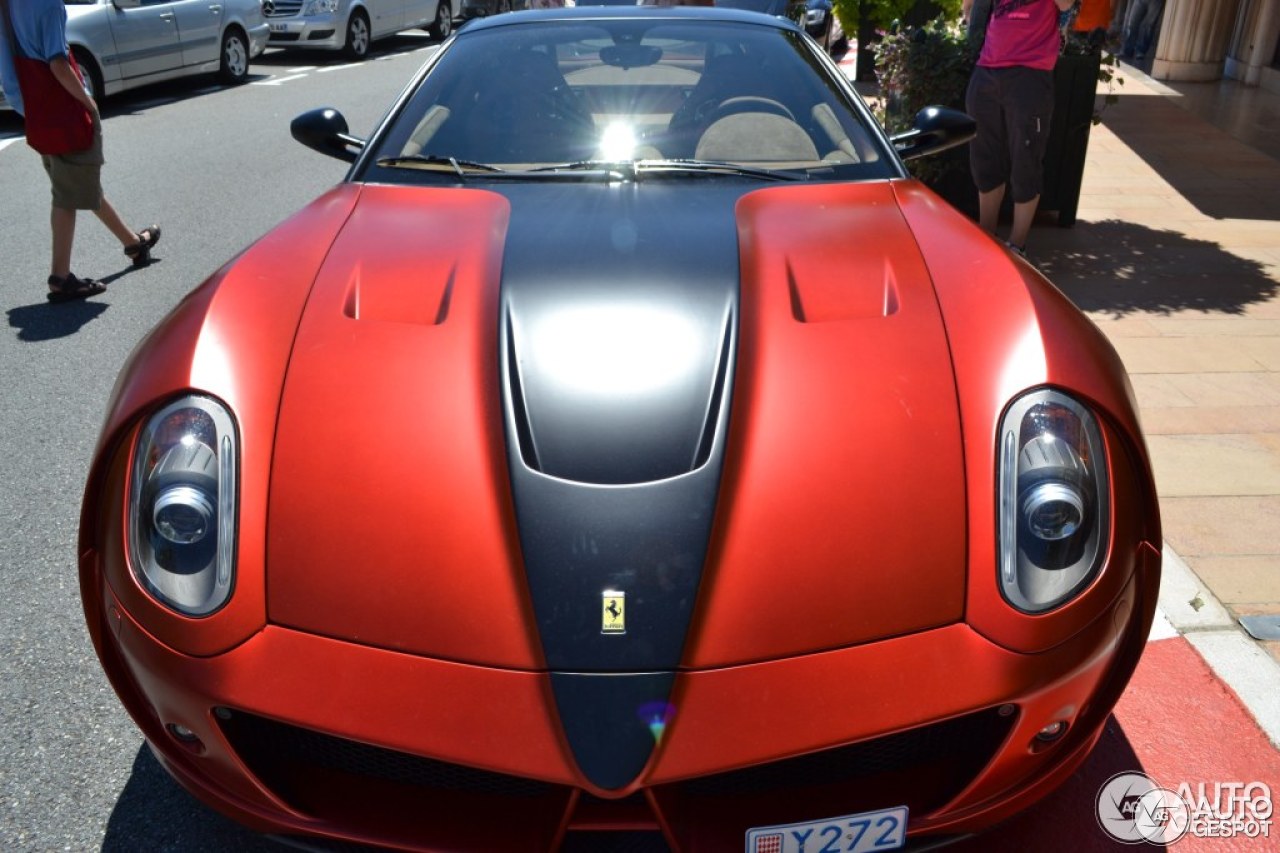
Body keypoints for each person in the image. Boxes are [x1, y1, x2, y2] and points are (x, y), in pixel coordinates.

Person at [0, 0, 160, 303]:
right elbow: (58, 63)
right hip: (63, 111)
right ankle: (60, 277)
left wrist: (26, 108)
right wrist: (89, 103)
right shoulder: (48, 5)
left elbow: (9, 64)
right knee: (67, 192)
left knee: (77, 180)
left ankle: (134, 244)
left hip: (38, 111)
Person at [963, 0, 1075, 258]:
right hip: (987, 67)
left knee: (1026, 159)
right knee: (985, 158)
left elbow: (1067, 3)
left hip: (1030, 73)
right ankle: (986, 234)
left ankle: (1017, 245)